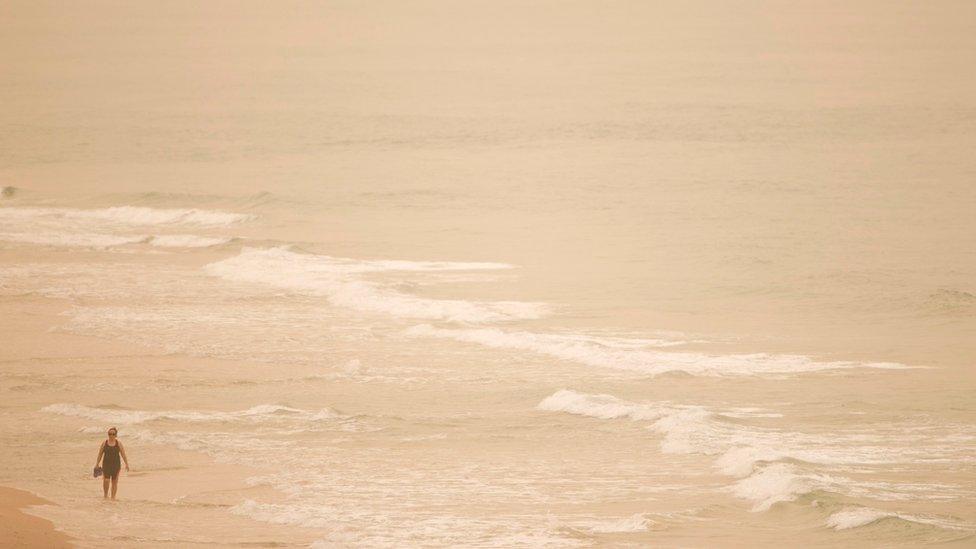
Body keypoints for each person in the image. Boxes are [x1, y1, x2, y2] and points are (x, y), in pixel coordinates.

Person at [94, 427, 129, 499]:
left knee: (114, 482)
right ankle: (105, 495)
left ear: (116, 435)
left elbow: (123, 454)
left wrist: (126, 464)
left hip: (116, 465)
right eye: (109, 434)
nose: (111, 435)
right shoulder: (104, 443)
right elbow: (100, 454)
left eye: (113, 434)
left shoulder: (118, 443)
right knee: (106, 480)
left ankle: (113, 497)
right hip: (106, 464)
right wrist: (97, 463)